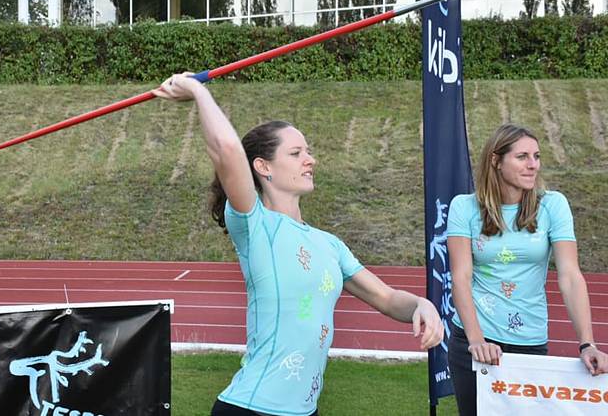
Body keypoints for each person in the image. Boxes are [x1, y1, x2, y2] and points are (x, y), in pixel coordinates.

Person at [153, 72, 443, 416]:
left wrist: (421, 305)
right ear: (263, 167)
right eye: (296, 152)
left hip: (305, 411)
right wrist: (197, 91)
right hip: (251, 408)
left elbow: (386, 298)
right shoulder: (255, 224)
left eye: (308, 151)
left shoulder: (330, 245)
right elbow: (227, 150)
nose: (311, 159)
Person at [447, 123, 608, 416]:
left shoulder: (553, 205)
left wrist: (588, 343)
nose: (533, 165)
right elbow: (461, 277)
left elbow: (570, 276)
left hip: (530, 341)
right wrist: (476, 340)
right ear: (496, 161)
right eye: (522, 157)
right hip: (474, 341)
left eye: (536, 156)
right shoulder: (464, 207)